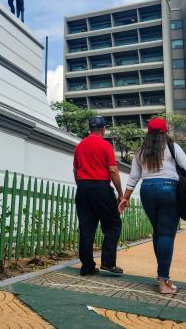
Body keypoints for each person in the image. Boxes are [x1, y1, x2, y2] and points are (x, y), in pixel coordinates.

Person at [118, 118, 186, 294]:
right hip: (168, 189)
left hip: (147, 191)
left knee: (158, 232)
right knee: (167, 233)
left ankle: (163, 275)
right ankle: (163, 279)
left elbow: (133, 177)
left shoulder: (140, 151)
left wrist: (125, 198)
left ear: (148, 133)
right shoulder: (172, 148)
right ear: (165, 132)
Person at [73, 116, 124, 276]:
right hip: (101, 187)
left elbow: (75, 170)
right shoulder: (105, 145)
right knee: (113, 224)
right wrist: (121, 194)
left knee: (86, 227)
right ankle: (108, 262)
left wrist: (82, 186)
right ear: (103, 129)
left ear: (90, 129)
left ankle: (87, 266)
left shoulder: (80, 146)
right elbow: (113, 170)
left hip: (83, 188)